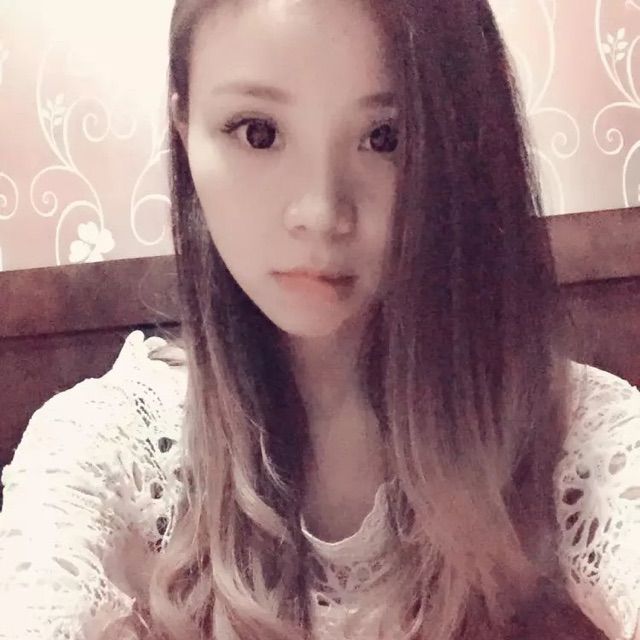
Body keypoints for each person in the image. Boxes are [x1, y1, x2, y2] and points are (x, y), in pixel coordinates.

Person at [1, 0, 639, 638]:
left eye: (385, 138)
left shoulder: (573, 434)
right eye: (258, 132)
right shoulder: (114, 452)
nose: (321, 212)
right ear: (184, 124)